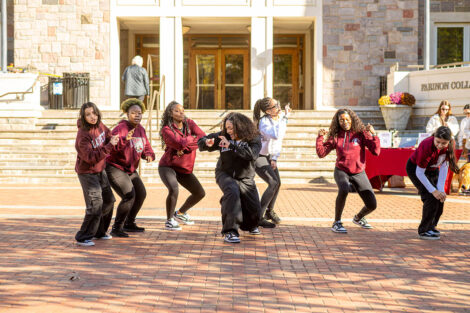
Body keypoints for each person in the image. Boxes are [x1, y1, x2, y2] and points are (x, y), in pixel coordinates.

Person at [198, 112, 262, 243]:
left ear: (241, 127)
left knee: (255, 213)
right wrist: (207, 143)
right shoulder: (223, 136)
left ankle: (248, 223)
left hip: (245, 177)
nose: (228, 131)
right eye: (227, 127)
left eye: (231, 128)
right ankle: (230, 232)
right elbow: (201, 141)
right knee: (232, 192)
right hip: (225, 173)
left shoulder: (254, 137)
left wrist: (232, 146)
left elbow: (252, 155)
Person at [316, 108, 380, 233]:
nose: (345, 122)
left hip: (358, 172)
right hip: (341, 170)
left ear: (352, 120)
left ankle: (358, 218)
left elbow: (376, 151)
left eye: (347, 119)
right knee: (344, 188)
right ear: (338, 122)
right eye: (341, 120)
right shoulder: (335, 136)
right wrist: (320, 138)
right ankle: (337, 222)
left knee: (372, 205)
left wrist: (373, 135)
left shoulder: (361, 133)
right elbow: (321, 153)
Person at [106, 98, 155, 237]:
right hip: (115, 167)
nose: (137, 115)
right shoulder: (120, 128)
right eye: (134, 113)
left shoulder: (141, 130)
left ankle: (129, 223)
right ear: (127, 114)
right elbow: (111, 148)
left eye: (139, 113)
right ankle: (116, 228)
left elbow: (146, 147)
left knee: (141, 194)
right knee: (129, 195)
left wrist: (149, 155)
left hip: (130, 169)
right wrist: (124, 140)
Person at [74, 102, 119, 246]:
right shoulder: (82, 135)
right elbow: (91, 157)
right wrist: (109, 145)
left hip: (100, 170)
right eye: (88, 114)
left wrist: (115, 139)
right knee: (95, 204)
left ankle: (99, 232)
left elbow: (108, 135)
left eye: (94, 113)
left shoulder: (100, 125)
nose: (92, 116)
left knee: (109, 200)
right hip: (87, 173)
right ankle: (83, 236)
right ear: (83, 116)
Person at [158, 101, 206, 230]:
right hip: (168, 166)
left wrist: (185, 147)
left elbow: (202, 137)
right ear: (170, 113)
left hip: (184, 168)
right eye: (177, 111)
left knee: (199, 193)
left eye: (182, 110)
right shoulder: (166, 129)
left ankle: (179, 213)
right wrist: (191, 139)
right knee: (174, 189)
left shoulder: (189, 123)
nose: (181, 113)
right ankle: (169, 220)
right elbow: (178, 143)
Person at [406, 126, 460, 240]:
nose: (440, 145)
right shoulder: (426, 146)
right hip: (416, 169)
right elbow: (419, 172)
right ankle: (424, 230)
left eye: (444, 143)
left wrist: (440, 189)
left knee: (440, 198)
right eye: (438, 142)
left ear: (449, 141)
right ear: (434, 137)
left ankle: (431, 226)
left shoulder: (450, 146)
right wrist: (433, 190)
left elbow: (444, 166)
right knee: (430, 197)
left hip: (433, 168)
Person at [252, 97, 291, 227]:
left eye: (278, 104)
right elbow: (276, 135)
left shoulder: (275, 119)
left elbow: (277, 141)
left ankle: (269, 211)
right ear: (268, 111)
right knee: (273, 183)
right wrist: (285, 118)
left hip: (268, 156)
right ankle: (259, 217)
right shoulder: (264, 122)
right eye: (276, 106)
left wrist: (274, 158)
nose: (279, 107)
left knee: (277, 183)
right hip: (258, 156)